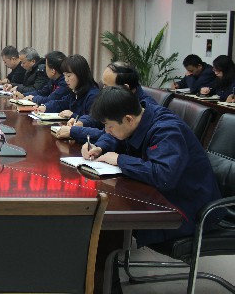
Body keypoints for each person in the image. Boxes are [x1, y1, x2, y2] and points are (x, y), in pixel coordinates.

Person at [82, 86, 222, 247]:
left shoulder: (166, 130)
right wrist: (100, 147)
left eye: (109, 126)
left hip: (187, 207)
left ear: (128, 119)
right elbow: (118, 137)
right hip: (159, 195)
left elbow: (163, 176)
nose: (107, 131)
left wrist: (120, 160)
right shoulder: (140, 116)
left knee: (105, 217)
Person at [55, 62, 156, 142]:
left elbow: (113, 135)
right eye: (103, 85)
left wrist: (76, 132)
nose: (102, 90)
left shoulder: (143, 111)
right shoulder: (119, 99)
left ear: (125, 88)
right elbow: (98, 117)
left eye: (107, 87)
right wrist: (82, 122)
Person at [38, 54, 99, 119]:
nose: (66, 80)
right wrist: (45, 107)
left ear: (80, 74)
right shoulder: (75, 91)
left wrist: (73, 116)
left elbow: (93, 120)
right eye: (64, 75)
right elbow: (61, 103)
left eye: (69, 76)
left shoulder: (92, 95)